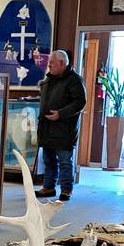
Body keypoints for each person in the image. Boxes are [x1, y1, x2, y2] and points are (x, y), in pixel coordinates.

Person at [36, 48, 86, 200]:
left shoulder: (74, 79)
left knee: (64, 161)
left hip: (64, 129)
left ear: (62, 63)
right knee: (48, 160)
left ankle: (66, 189)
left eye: (52, 62)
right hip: (46, 128)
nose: (49, 65)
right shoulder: (48, 80)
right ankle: (48, 187)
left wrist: (60, 114)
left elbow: (80, 102)